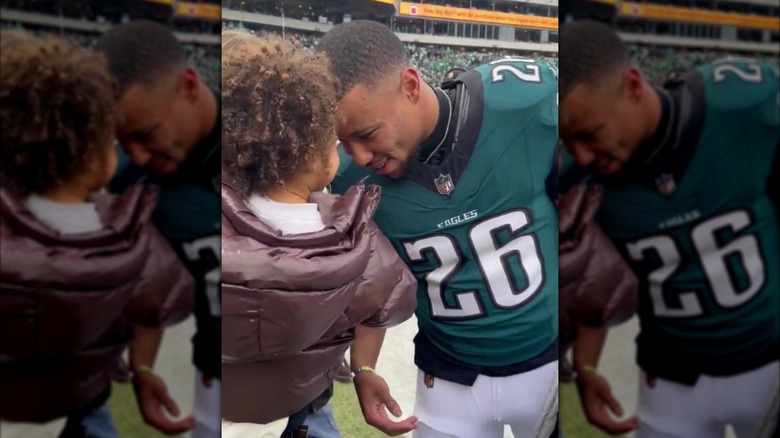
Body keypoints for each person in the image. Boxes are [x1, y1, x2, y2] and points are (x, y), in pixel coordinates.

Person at [318, 20, 559, 438]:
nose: (358, 155)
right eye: (345, 140)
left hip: (550, 363)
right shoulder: (349, 177)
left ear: (410, 85)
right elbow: (378, 285)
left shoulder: (524, 104)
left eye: (368, 134)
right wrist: (364, 367)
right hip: (447, 375)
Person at [558, 20, 780, 438]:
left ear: (632, 85)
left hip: (768, 363)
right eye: (569, 144)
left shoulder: (742, 110)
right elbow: (595, 286)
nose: (583, 156)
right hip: (670, 378)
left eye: (589, 135)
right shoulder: (580, 181)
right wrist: (586, 367)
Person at [219, 30, 417, 438]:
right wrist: (362, 368)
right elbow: (388, 303)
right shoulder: (355, 240)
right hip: (301, 412)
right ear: (314, 153)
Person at [0, 30, 193, 438]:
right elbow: (155, 307)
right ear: (95, 154)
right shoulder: (134, 235)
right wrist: (142, 369)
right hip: (83, 405)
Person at [94, 20, 222, 437]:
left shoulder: (263, 142)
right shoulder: (131, 179)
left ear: (188, 85)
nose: (139, 156)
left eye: (145, 135)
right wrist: (143, 365)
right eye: (123, 141)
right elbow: (152, 285)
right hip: (214, 380)